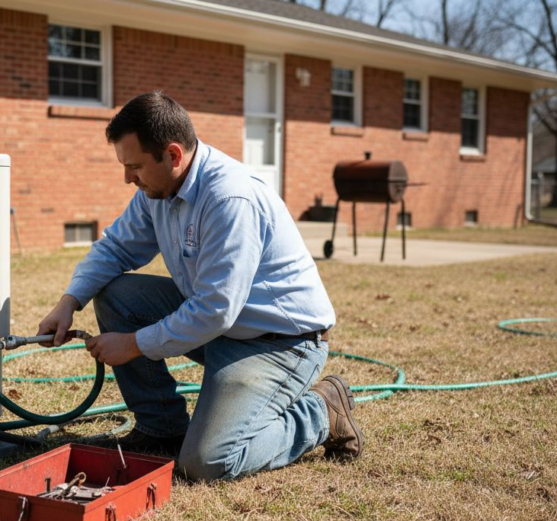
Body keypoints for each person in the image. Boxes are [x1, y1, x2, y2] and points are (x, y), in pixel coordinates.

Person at [36, 91, 363, 480]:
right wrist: (69, 302)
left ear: (173, 155)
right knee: (116, 296)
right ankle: (161, 429)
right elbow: (116, 248)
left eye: (135, 166)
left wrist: (134, 344)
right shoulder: (158, 190)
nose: (128, 178)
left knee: (208, 462)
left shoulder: (229, 198)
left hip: (279, 343)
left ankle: (322, 412)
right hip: (223, 328)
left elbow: (215, 309)